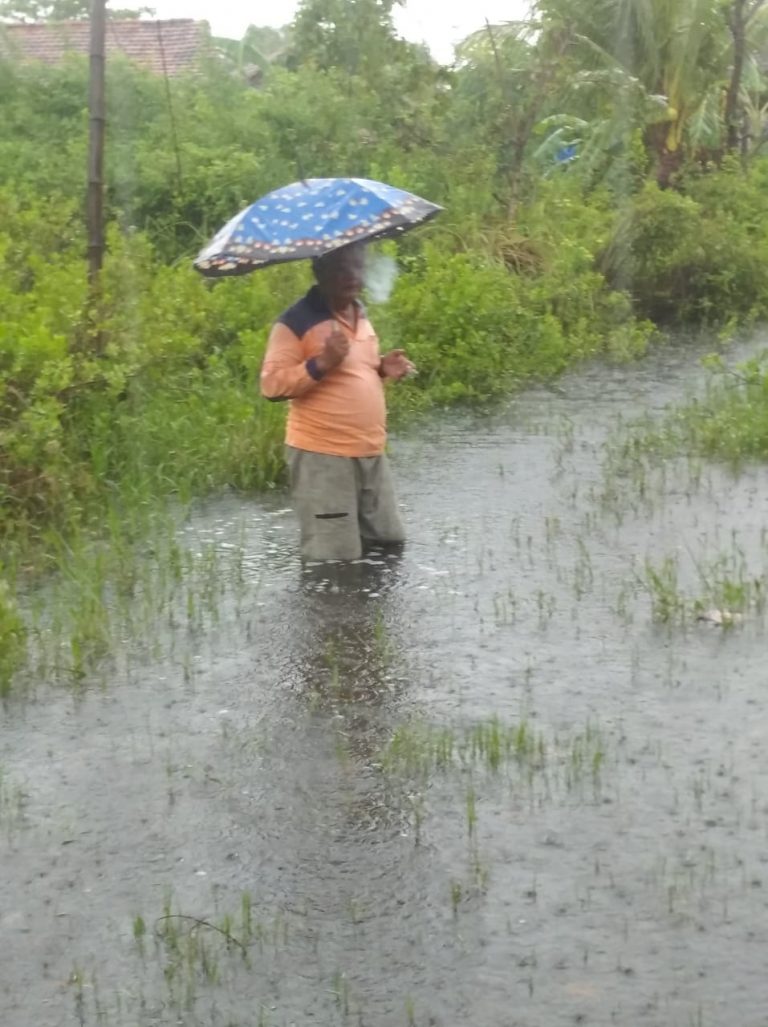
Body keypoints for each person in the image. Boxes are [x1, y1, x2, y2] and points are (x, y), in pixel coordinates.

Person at [260, 243, 414, 562]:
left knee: (388, 544)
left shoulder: (360, 312)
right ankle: (328, 613)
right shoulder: (294, 322)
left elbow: (356, 372)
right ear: (319, 272)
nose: (352, 276)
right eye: (341, 268)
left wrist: (383, 368)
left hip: (370, 452)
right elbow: (272, 385)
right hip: (323, 456)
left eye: (357, 266)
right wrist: (321, 363)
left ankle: (373, 614)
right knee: (334, 560)